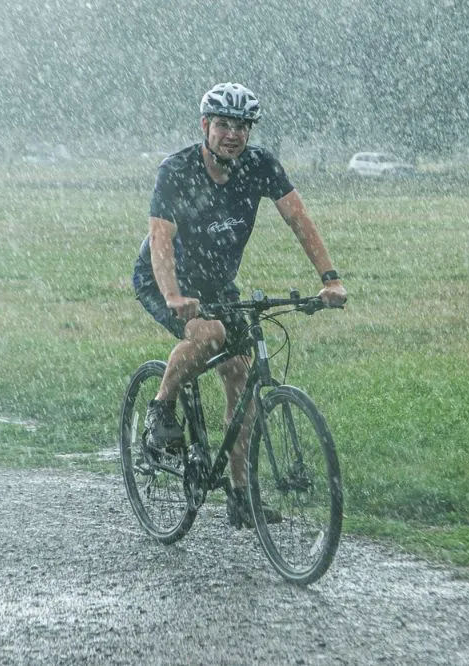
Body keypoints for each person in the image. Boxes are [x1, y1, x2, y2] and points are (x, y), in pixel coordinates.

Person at [131, 82, 347, 529]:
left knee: (240, 375)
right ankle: (161, 406)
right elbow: (161, 239)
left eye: (242, 126)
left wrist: (329, 279)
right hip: (164, 276)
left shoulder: (259, 165)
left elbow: (298, 218)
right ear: (205, 126)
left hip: (216, 283)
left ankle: (240, 496)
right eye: (224, 124)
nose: (233, 134)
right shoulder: (177, 171)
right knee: (207, 335)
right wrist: (173, 296)